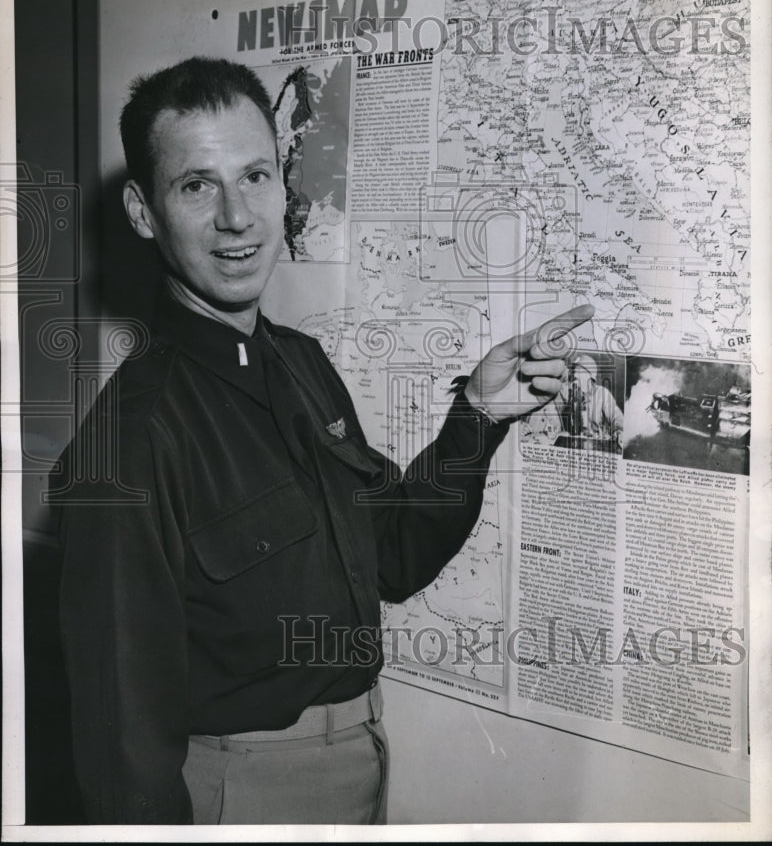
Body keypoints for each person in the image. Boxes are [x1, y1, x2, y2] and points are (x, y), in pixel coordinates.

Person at [53, 56, 593, 825]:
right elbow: (118, 741)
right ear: (143, 213)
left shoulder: (299, 363)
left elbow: (394, 556)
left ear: (283, 187)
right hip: (236, 794)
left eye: (256, 176)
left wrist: (476, 417)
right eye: (197, 185)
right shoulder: (131, 439)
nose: (237, 218)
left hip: (360, 763)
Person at [555, 353, 623, 451]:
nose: (574, 375)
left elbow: (616, 416)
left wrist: (619, 430)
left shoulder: (602, 394)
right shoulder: (566, 390)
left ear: (590, 376)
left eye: (579, 372)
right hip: (572, 443)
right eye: (574, 372)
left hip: (597, 445)